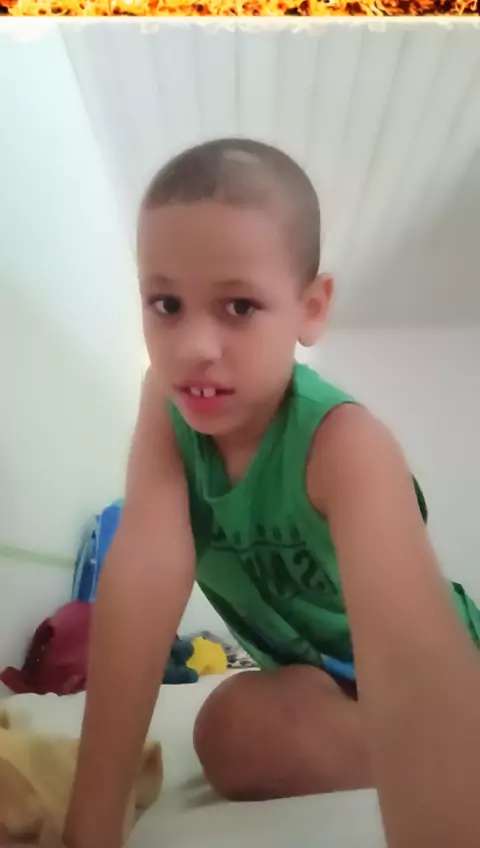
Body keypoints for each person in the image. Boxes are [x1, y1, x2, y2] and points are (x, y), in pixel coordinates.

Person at [64, 138, 480, 848]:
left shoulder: (345, 444)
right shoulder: (166, 409)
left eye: (239, 306)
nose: (194, 345)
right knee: (229, 734)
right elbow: (144, 576)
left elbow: (413, 659)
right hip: (324, 689)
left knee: (427, 718)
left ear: (309, 308)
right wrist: (90, 825)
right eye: (166, 304)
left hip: (446, 672)